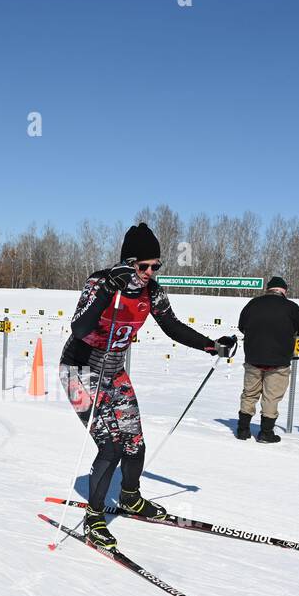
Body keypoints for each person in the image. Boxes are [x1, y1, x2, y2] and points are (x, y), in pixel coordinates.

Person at [59, 222, 236, 550]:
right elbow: (80, 327)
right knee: (110, 447)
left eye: (156, 266)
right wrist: (110, 291)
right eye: (144, 266)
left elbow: (172, 326)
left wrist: (212, 345)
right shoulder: (100, 282)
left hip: (113, 373)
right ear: (128, 263)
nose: (151, 271)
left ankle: (130, 498)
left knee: (134, 441)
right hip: (78, 372)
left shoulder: (151, 291)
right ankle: (94, 517)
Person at [235, 275, 299, 442]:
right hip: (279, 361)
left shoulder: (253, 304)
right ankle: (266, 433)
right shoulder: (290, 307)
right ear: (284, 290)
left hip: (253, 358)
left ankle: (242, 429)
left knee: (249, 393)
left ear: (268, 289)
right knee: (271, 397)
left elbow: (241, 326)